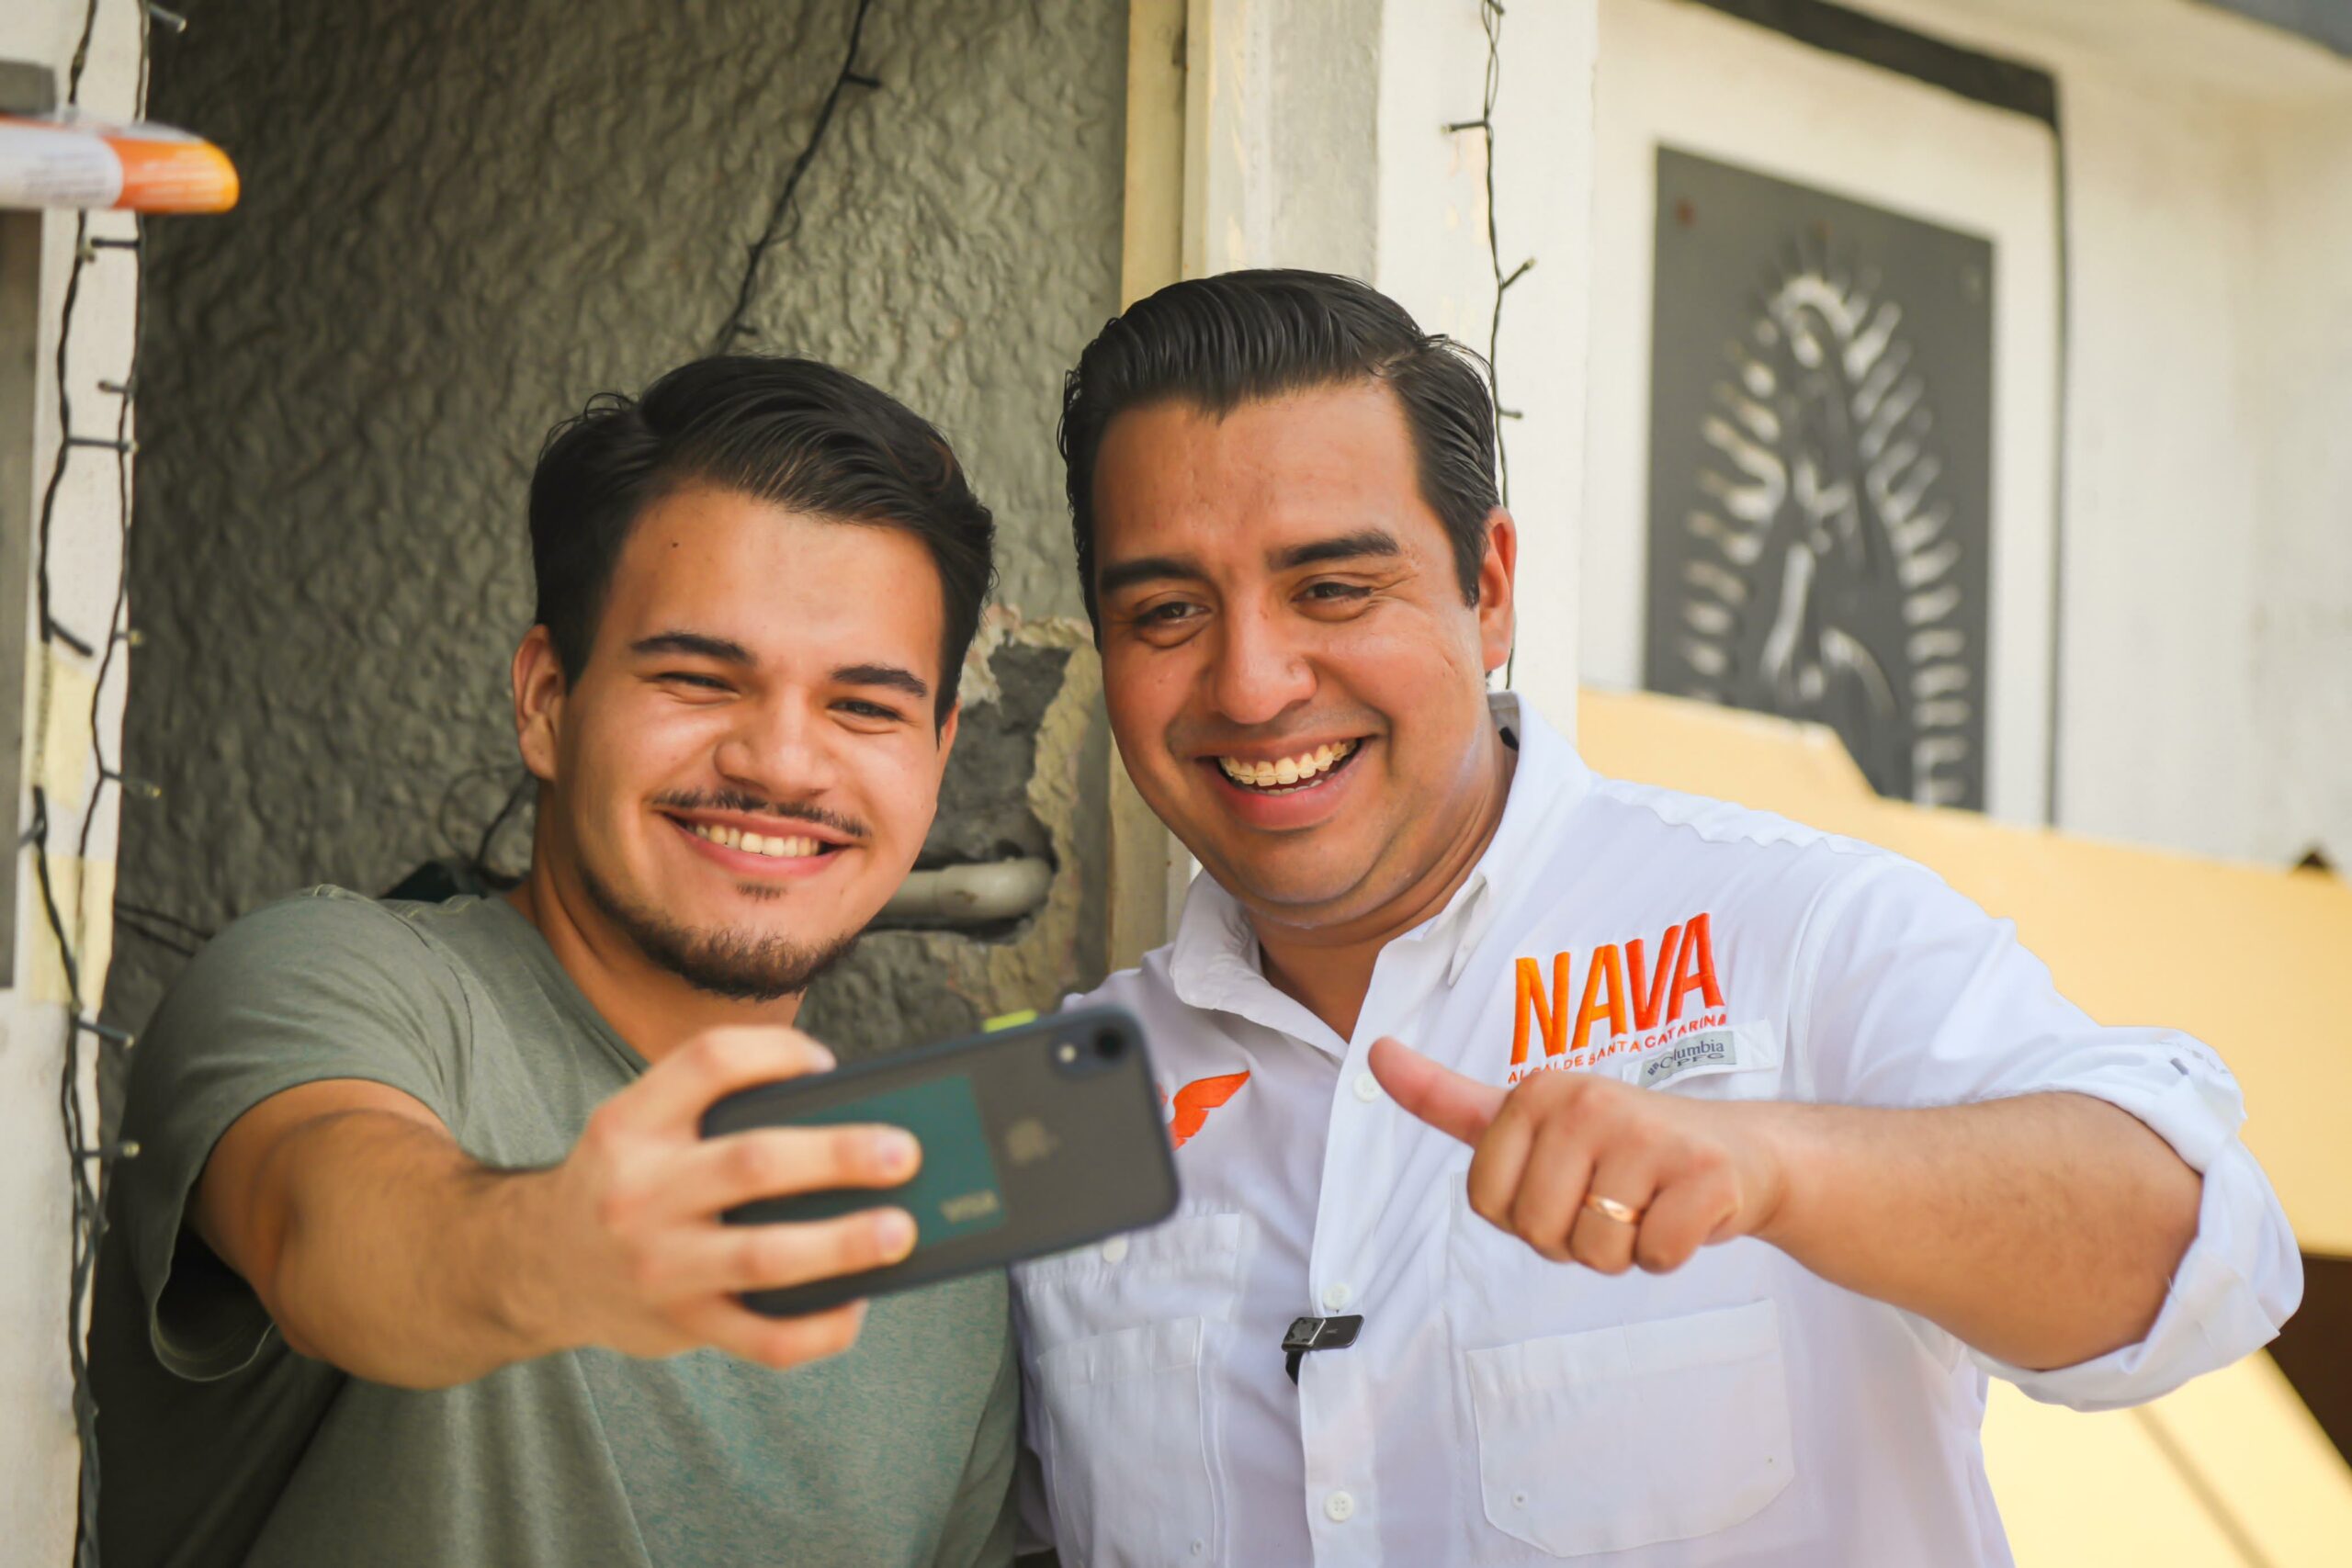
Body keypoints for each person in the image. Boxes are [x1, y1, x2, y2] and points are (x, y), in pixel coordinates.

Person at [1014, 270, 2301, 1566]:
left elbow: (2199, 1258)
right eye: (1169, 612)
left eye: (1335, 589)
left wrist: (1777, 1169)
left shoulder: (1783, 934)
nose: (1252, 681)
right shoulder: (1061, 1107)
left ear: (1491, 588)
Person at [93, 355, 1019, 1568]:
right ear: (545, 701)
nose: (785, 764)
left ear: (938, 755)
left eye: (864, 707)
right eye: (698, 678)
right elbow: (332, 1230)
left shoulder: (945, 1241)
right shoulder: (333, 984)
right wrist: (557, 1251)